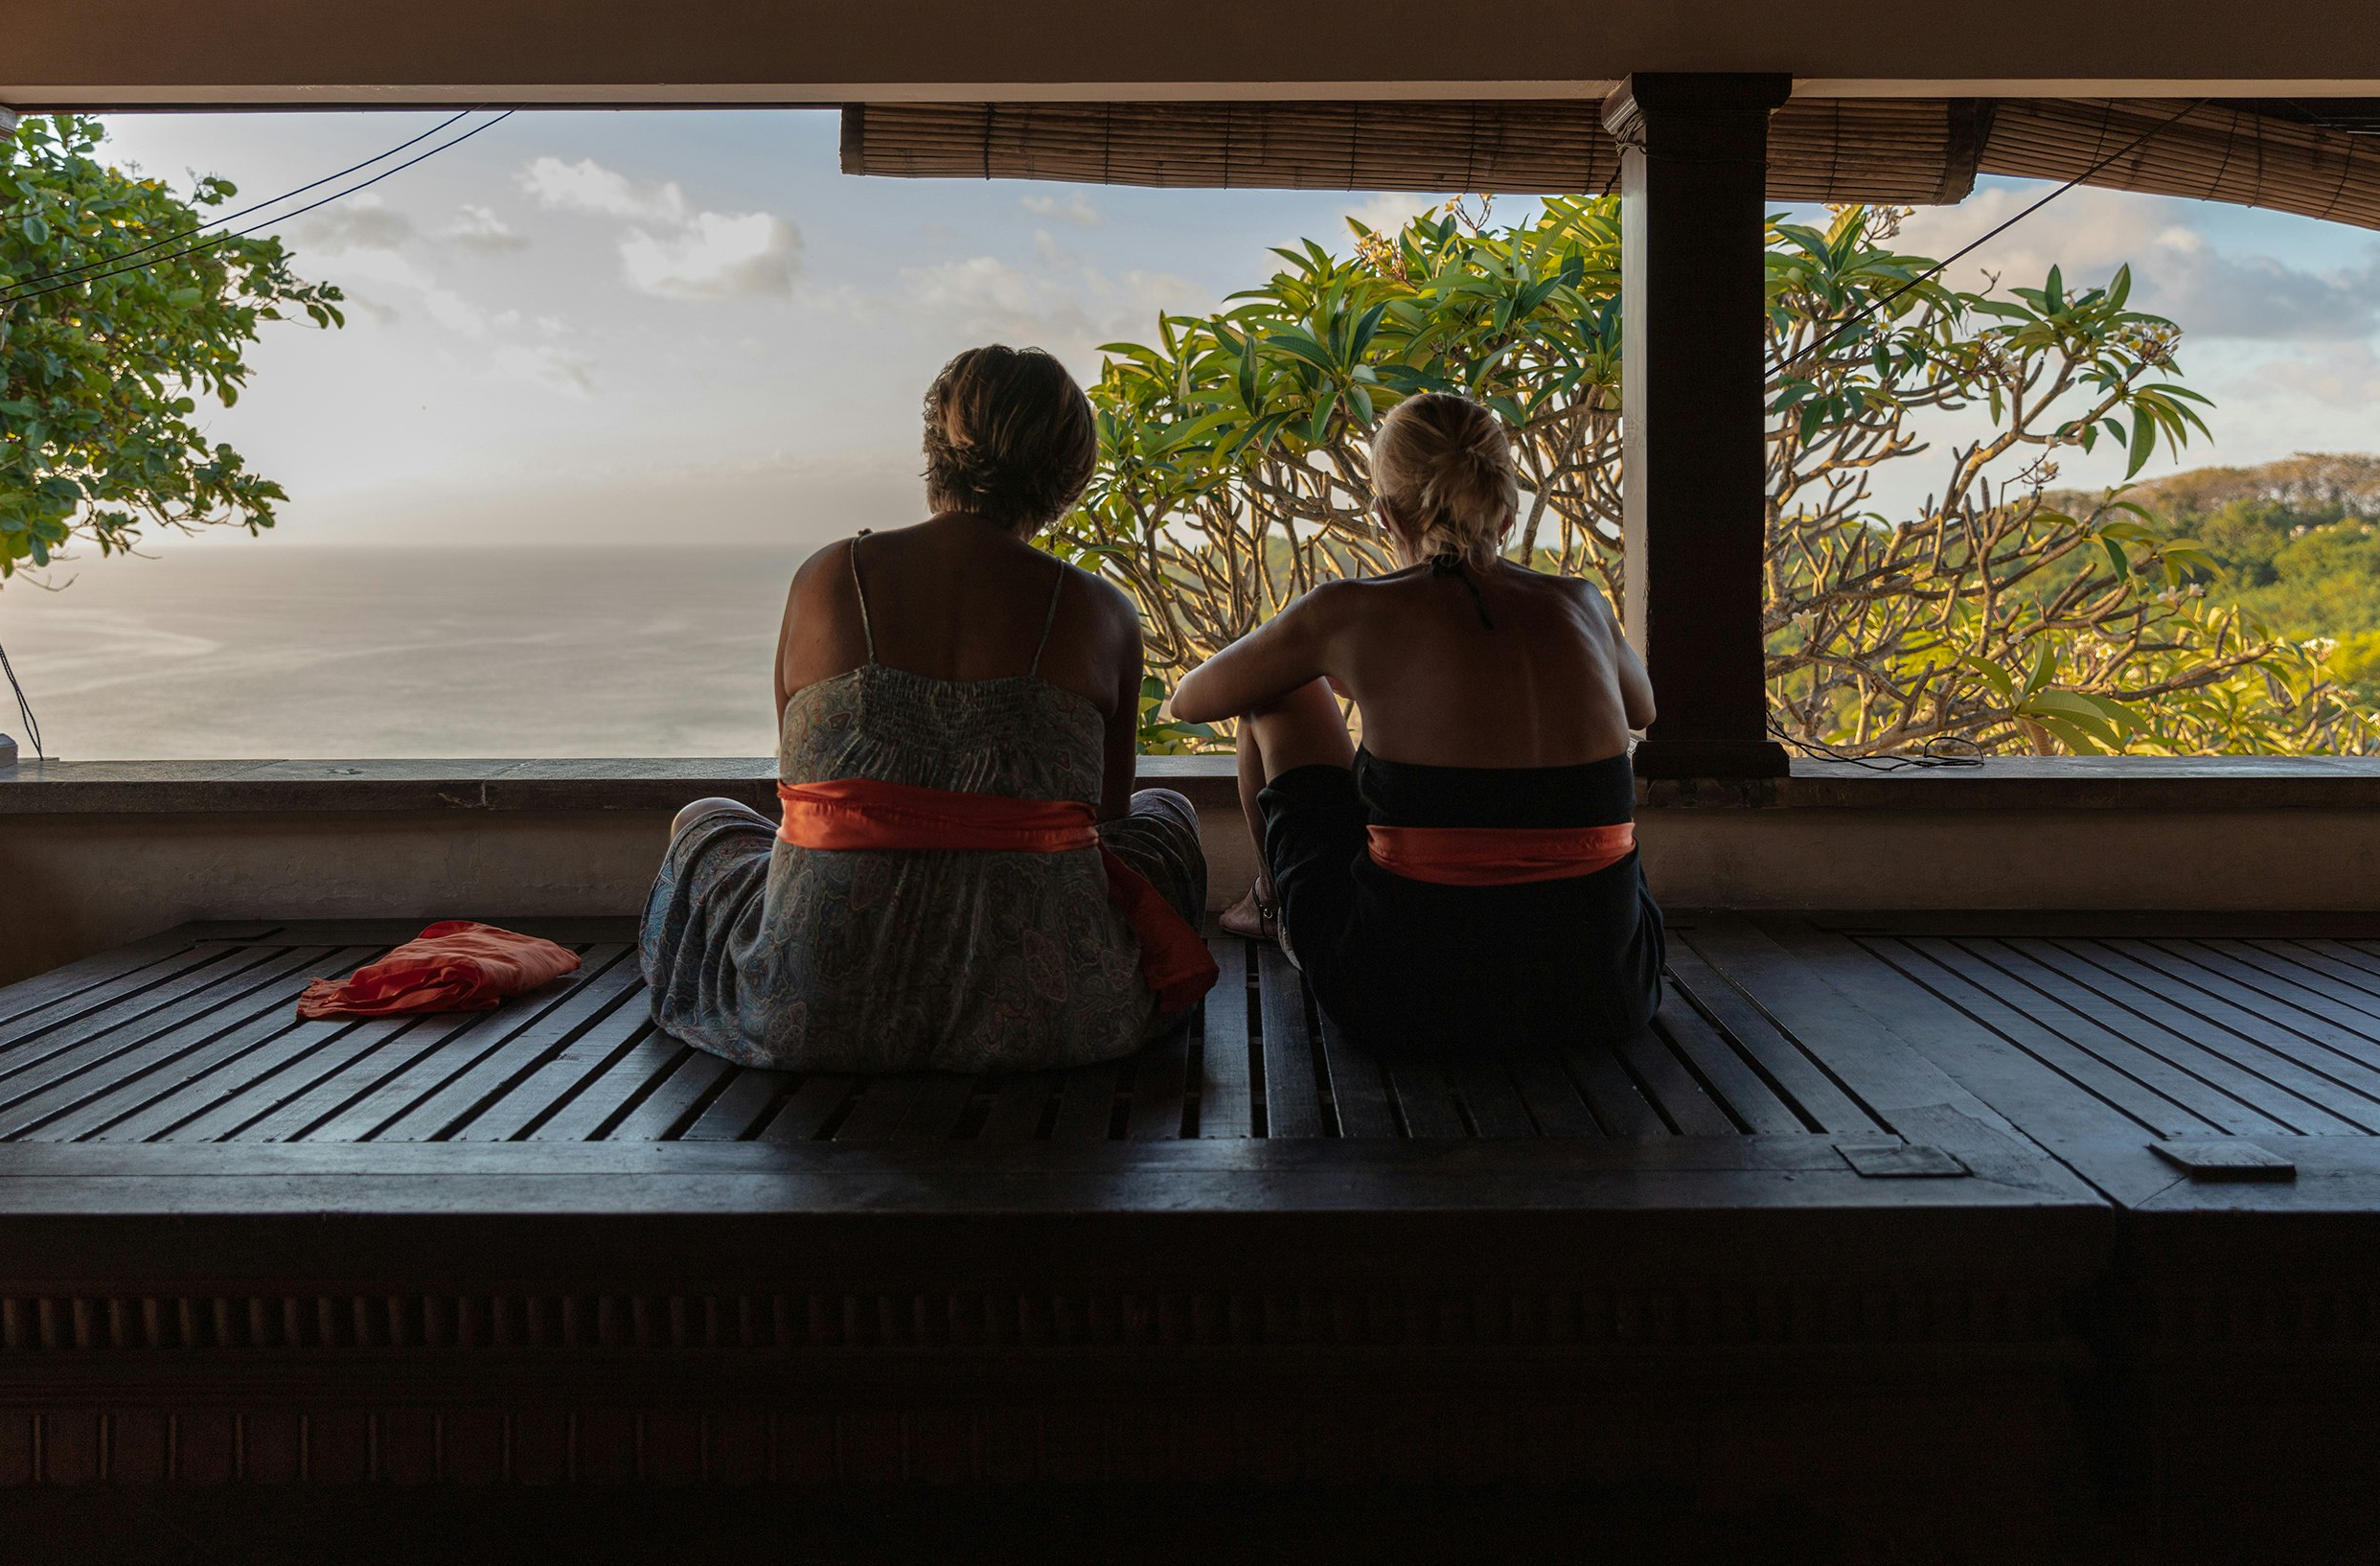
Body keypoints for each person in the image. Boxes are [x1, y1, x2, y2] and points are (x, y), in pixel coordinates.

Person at [642, 345, 1211, 1074]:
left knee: (704, 820)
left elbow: (800, 792)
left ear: (934, 447)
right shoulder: (1102, 612)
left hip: (811, 1008)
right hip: (1056, 1013)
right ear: (1069, 475)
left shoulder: (828, 577)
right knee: (1172, 816)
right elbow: (1108, 817)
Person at [1167, 390, 1660, 1056]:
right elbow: (1642, 710)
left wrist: (1326, 658)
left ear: (1384, 514)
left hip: (1407, 997)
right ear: (1506, 511)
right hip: (1606, 987)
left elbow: (1192, 700)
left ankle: (1271, 908)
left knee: (1276, 696)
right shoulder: (1581, 603)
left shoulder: (1349, 610)